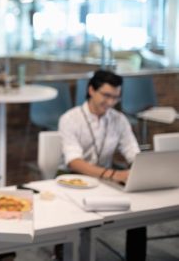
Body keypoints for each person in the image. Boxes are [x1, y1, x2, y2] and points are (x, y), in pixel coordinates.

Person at [58, 69, 145, 261]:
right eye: (106, 95)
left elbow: (133, 152)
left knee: (141, 211)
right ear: (91, 90)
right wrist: (113, 175)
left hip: (104, 179)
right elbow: (74, 162)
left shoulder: (118, 119)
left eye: (116, 97)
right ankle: (61, 254)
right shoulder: (70, 119)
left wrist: (142, 169)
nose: (111, 102)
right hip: (72, 179)